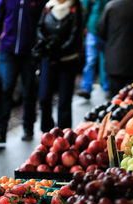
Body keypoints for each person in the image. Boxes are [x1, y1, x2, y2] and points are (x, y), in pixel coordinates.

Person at [0, 0, 46, 143]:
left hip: (29, 52)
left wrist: (39, 46)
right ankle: (0, 130)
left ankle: (28, 127)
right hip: (7, 50)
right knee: (6, 88)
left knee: (28, 90)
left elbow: (42, 23)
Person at [34, 0, 82, 132]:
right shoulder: (48, 7)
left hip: (67, 60)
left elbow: (76, 33)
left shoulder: (74, 8)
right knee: (44, 97)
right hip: (48, 60)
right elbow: (39, 27)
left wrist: (60, 49)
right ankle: (46, 132)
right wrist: (46, 45)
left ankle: (63, 134)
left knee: (64, 100)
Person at [77, 0, 110, 99]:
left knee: (106, 61)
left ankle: (106, 87)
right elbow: (84, 10)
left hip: (107, 33)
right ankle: (86, 88)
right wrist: (83, 27)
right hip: (93, 31)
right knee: (90, 60)